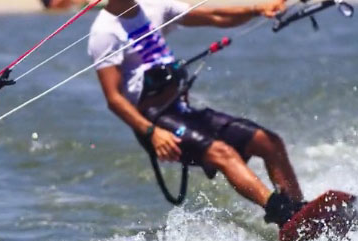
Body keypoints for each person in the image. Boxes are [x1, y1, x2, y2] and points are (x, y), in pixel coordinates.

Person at [88, 0, 307, 226]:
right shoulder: (104, 32)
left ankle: (301, 214)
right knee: (223, 153)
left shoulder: (154, 6)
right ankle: (284, 215)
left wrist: (257, 10)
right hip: (154, 121)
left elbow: (215, 16)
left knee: (268, 142)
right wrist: (152, 133)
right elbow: (114, 99)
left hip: (181, 110)